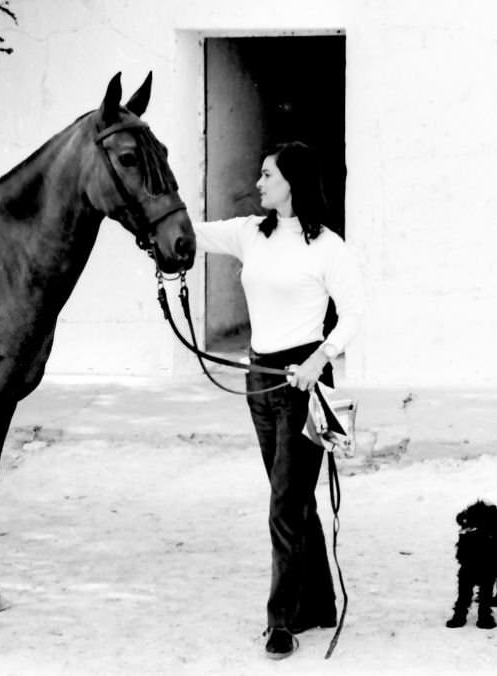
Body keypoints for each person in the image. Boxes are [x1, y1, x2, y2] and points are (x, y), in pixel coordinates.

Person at [192, 141, 365, 660]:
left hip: (304, 381)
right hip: (259, 380)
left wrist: (321, 358)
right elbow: (189, 234)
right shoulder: (251, 233)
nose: (259, 182)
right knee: (293, 497)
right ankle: (319, 602)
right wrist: (143, 218)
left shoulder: (328, 246)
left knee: (285, 504)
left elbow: (355, 309)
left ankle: (282, 620)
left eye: (267, 175)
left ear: (291, 181)